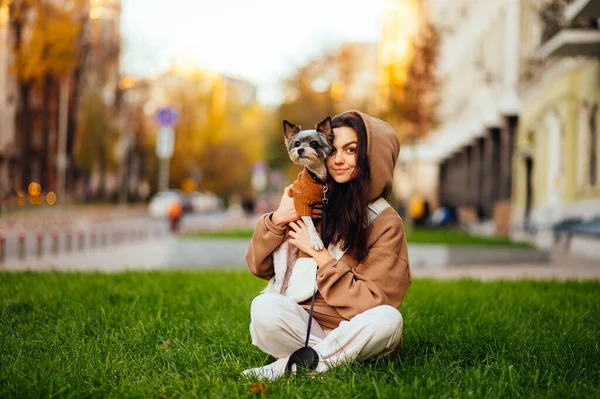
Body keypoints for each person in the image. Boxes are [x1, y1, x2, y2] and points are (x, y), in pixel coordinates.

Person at [244, 110, 412, 379]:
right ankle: (328, 360)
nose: (338, 160)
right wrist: (277, 219)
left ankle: (286, 367)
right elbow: (257, 266)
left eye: (352, 150)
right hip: (303, 326)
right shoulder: (309, 200)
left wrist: (320, 257)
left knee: (389, 321)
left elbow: (374, 304)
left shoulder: (386, 222)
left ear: (374, 156)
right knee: (263, 308)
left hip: (355, 327)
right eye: (334, 150)